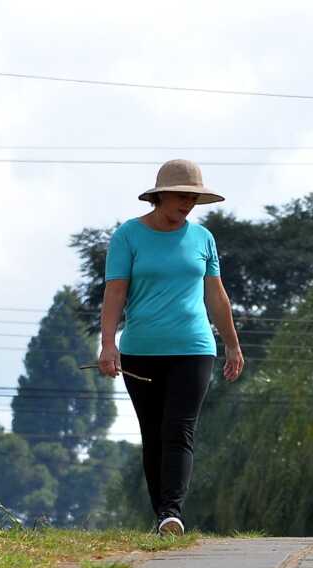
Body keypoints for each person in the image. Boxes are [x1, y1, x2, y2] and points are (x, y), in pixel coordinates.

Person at [97, 159, 244, 537]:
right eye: (181, 196)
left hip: (194, 348)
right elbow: (115, 292)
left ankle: (171, 513)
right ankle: (162, 513)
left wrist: (232, 343)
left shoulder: (203, 239)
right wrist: (108, 344)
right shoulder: (128, 236)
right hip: (140, 351)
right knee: (154, 433)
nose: (187, 204)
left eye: (193, 198)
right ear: (160, 196)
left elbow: (216, 295)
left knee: (179, 429)